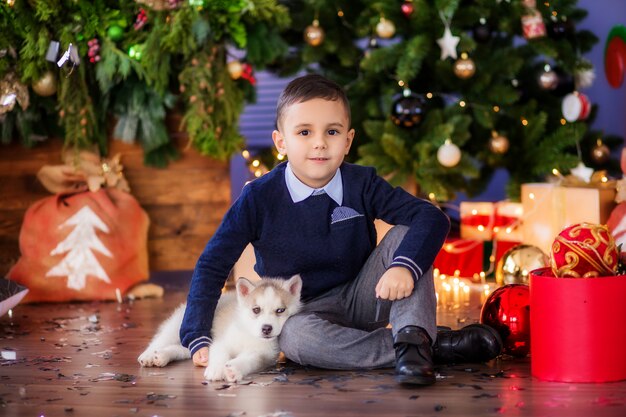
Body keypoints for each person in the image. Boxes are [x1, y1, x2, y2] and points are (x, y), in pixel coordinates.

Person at [180, 74, 502, 386]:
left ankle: (414, 335)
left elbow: (430, 217)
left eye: (332, 132)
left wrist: (403, 266)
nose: (319, 143)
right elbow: (213, 263)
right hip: (303, 311)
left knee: (407, 235)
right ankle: (425, 348)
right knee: (295, 340)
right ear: (281, 141)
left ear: (347, 140)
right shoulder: (259, 198)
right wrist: (196, 335)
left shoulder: (362, 183)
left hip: (366, 293)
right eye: (304, 132)